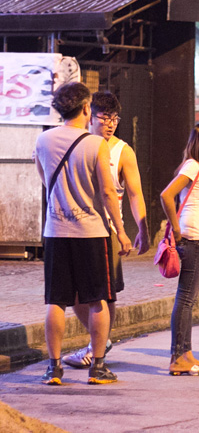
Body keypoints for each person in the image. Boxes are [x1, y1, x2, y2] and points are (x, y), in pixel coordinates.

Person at [34, 82, 132, 385]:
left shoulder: (43, 140)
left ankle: (54, 368)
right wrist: (120, 230)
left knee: (56, 301)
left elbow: (44, 180)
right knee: (97, 299)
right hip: (91, 231)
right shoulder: (95, 144)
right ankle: (98, 366)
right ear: (86, 108)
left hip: (55, 230)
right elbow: (106, 192)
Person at [63, 91, 149, 370]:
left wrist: (141, 229)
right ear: (89, 115)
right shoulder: (75, 143)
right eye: (104, 118)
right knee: (73, 292)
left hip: (108, 229)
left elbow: (135, 193)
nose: (110, 124)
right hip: (72, 226)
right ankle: (99, 341)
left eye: (115, 119)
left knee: (105, 292)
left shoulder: (122, 151)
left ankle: (97, 346)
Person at [160, 124, 199, 375]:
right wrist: (175, 228)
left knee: (188, 300)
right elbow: (167, 195)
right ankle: (177, 357)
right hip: (194, 240)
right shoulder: (193, 166)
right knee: (186, 300)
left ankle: (186, 353)